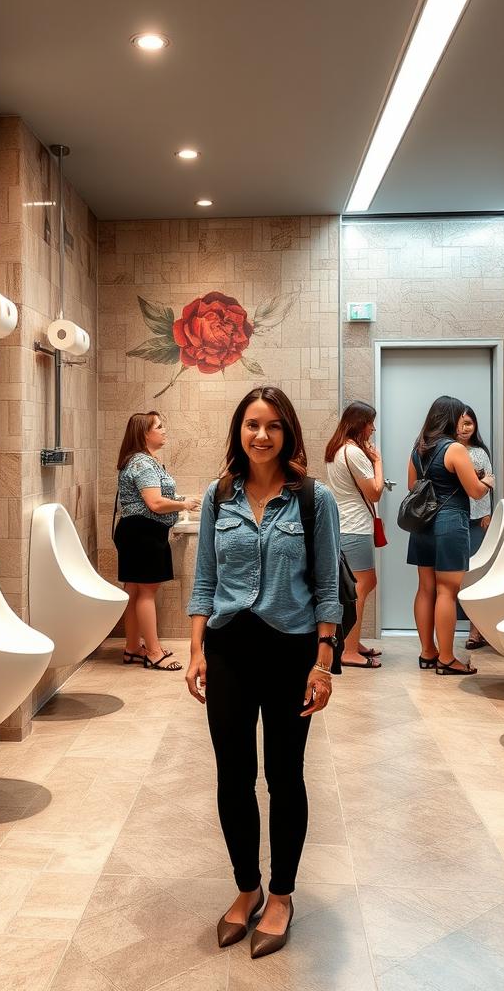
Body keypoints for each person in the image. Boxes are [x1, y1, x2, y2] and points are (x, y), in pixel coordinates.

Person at [186, 386, 340, 959]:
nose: (261, 436)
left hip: (290, 649)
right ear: (238, 431)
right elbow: (204, 580)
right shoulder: (217, 496)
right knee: (232, 775)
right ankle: (246, 887)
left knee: (284, 776)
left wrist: (323, 665)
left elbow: (328, 589)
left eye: (273, 426)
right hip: (228, 648)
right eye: (252, 424)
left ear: (288, 432)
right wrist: (197, 648)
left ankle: (281, 894)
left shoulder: (312, 500)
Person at [407, 395, 494, 675]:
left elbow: (412, 487)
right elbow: (475, 491)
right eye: (458, 417)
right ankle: (446, 658)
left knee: (425, 589)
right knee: (447, 590)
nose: (461, 424)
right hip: (450, 523)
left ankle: (427, 652)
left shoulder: (417, 449)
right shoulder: (455, 449)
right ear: (450, 418)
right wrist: (487, 481)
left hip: (422, 526)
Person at [114, 411, 200, 670]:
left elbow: (152, 498)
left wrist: (181, 500)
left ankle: (132, 648)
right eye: (159, 427)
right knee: (146, 593)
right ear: (144, 434)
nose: (164, 431)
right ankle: (153, 651)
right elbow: (155, 503)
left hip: (136, 532)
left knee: (133, 591)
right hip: (143, 533)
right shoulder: (142, 463)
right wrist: (183, 503)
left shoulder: (142, 461)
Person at [324, 401, 384, 668]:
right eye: (370, 422)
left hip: (345, 525)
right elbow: (374, 491)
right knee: (361, 586)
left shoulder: (338, 449)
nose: (372, 428)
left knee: (360, 585)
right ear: (359, 423)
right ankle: (348, 650)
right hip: (354, 527)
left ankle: (351, 641)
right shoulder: (354, 452)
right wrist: (378, 462)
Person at [455, 406, 495, 650]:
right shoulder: (448, 450)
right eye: (460, 423)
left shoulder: (480, 453)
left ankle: (476, 631)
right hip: (455, 519)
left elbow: (489, 482)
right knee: (457, 577)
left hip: (477, 521)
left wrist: (487, 514)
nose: (464, 428)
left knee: (477, 575)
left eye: (469, 423)